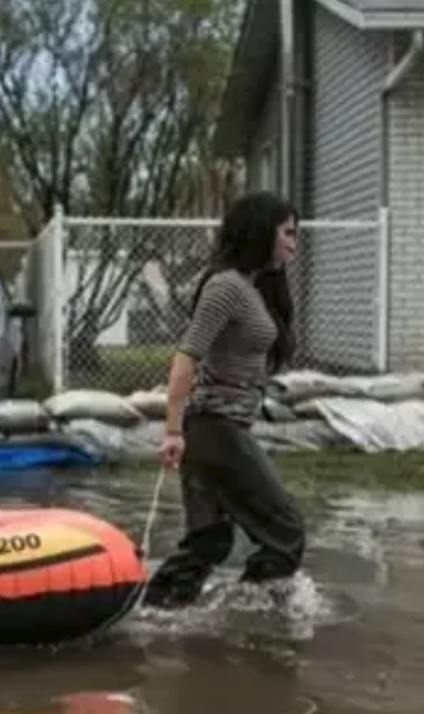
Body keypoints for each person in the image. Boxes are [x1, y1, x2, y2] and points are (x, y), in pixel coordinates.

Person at [142, 191, 306, 610]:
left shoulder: (251, 288)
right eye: (287, 233)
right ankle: (252, 615)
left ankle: (150, 613)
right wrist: (173, 430)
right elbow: (186, 357)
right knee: (285, 531)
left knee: (209, 541)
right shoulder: (225, 287)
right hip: (214, 427)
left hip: (219, 427)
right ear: (260, 231)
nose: (293, 244)